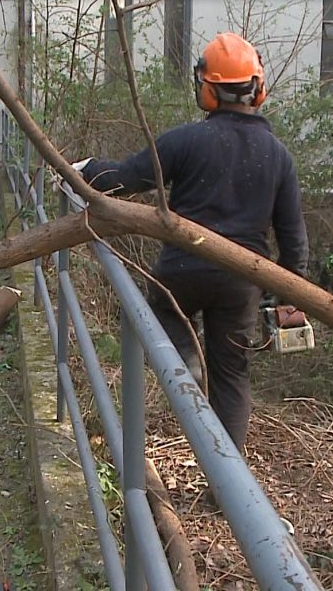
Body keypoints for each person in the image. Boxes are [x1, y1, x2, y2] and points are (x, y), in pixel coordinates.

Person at [74, 32, 309, 453]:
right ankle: (228, 484)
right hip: (241, 281)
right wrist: (290, 296)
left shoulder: (185, 140)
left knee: (162, 310)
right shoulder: (278, 155)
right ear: (258, 89)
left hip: (180, 273)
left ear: (208, 90)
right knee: (233, 375)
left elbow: (124, 180)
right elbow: (294, 244)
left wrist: (83, 168)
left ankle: (185, 365)